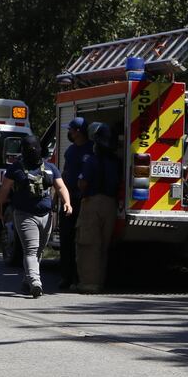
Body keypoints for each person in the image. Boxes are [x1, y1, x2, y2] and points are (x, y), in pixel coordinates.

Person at [0, 136, 71, 298]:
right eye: (29, 150)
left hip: (46, 216)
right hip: (24, 216)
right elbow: (4, 190)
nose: (32, 152)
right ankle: (36, 282)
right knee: (31, 250)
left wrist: (67, 202)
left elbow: (61, 186)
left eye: (34, 149)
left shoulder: (50, 168)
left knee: (39, 251)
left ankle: (27, 281)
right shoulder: (15, 169)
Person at [75, 122, 121, 293]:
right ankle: (100, 282)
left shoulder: (91, 160)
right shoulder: (117, 162)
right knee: (103, 246)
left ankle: (89, 284)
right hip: (111, 205)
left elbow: (82, 183)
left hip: (92, 203)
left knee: (88, 245)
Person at [58, 117, 91, 290]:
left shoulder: (90, 150)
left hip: (83, 201)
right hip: (67, 200)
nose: (69, 133)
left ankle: (80, 277)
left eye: (70, 130)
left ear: (78, 132)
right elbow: (65, 172)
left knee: (82, 241)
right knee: (66, 239)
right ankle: (66, 276)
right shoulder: (70, 150)